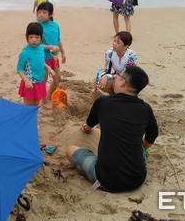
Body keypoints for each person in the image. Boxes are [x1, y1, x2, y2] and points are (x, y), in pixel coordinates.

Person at [66, 65, 158, 193]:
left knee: (70, 150)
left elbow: (89, 126)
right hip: (137, 179)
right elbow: (152, 135)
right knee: (137, 148)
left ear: (123, 82)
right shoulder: (145, 108)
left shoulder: (103, 102)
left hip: (106, 180)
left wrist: (86, 128)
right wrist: (143, 149)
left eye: (118, 77)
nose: (115, 79)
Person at [17, 22, 55, 106]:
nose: (34, 40)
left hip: (39, 82)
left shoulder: (41, 49)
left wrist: (48, 68)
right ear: (26, 37)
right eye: (31, 37)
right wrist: (26, 81)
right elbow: (19, 69)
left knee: (35, 106)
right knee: (28, 108)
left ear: (41, 38)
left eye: (37, 37)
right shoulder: (25, 52)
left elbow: (41, 62)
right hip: (29, 84)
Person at [36, 2, 66, 108]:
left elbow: (58, 40)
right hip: (43, 58)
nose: (41, 14)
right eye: (39, 12)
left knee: (58, 78)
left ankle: (49, 96)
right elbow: (38, 45)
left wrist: (63, 52)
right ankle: (43, 101)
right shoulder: (38, 26)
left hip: (54, 57)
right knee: (43, 80)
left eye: (44, 12)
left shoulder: (55, 25)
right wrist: (50, 47)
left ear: (51, 14)